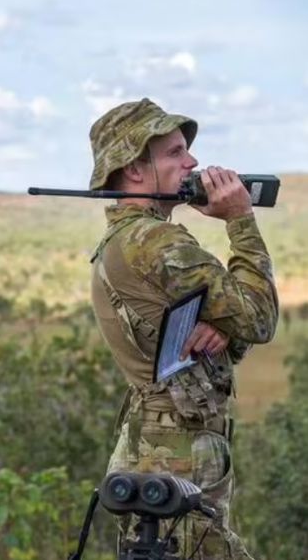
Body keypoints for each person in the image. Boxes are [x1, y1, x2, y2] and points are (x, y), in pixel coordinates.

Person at [87, 98, 278, 558]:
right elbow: (260, 317)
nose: (192, 162)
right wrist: (240, 219)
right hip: (176, 447)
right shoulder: (156, 240)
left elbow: (233, 332)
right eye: (174, 152)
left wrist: (226, 332)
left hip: (163, 439)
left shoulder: (126, 238)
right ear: (134, 169)